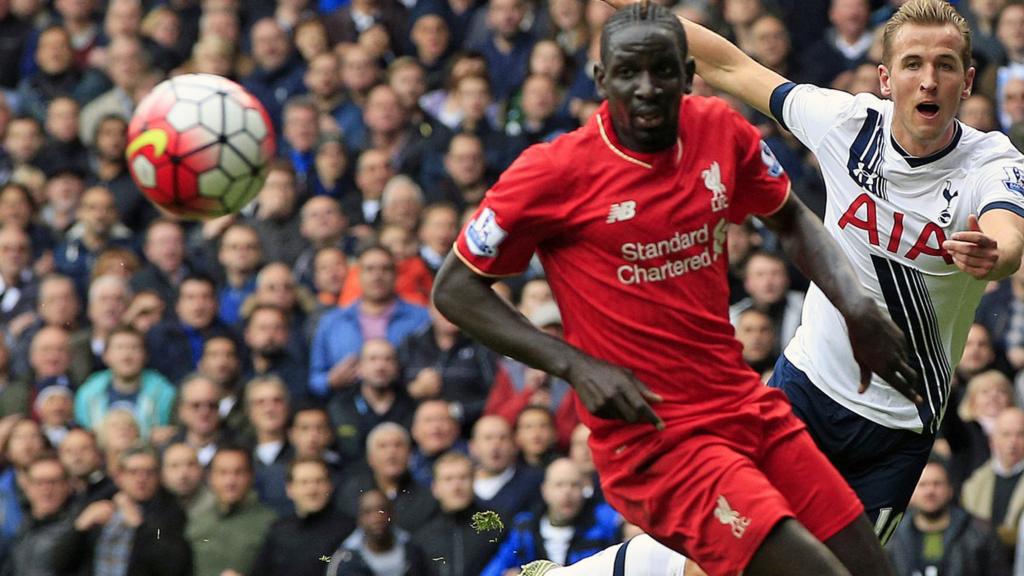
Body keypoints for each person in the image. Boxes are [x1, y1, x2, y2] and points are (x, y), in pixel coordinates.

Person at [433, 3, 916, 576]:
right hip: (655, 442)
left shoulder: (721, 131)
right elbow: (456, 288)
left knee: (871, 569)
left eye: (662, 71)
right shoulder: (554, 172)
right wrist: (575, 365)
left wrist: (856, 308)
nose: (646, 89)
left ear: (688, 75)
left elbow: (789, 218)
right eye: (628, 73)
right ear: (600, 79)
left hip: (743, 404)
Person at [585, 0, 1024, 545]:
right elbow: (732, 68)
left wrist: (997, 253)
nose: (928, 80)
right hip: (807, 390)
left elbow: (1010, 232)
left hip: (902, 428)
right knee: (732, 542)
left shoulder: (991, 160)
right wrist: (640, 11)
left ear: (968, 79)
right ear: (886, 79)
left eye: (945, 65)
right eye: (913, 64)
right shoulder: (845, 124)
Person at [887, 458, 1009, 576]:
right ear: (910, 492)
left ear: (950, 489)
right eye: (922, 485)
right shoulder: (892, 538)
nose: (930, 491)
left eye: (937, 484)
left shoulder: (980, 534)